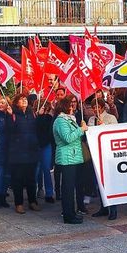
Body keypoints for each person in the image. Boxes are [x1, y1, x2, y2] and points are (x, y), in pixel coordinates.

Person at [53, 96, 87, 224]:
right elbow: (67, 138)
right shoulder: (61, 121)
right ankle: (68, 215)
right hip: (67, 157)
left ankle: (72, 212)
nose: (72, 108)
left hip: (73, 156)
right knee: (67, 188)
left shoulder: (69, 119)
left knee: (71, 186)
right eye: (70, 106)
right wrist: (81, 129)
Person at [8, 94, 41, 214]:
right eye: (21, 99)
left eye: (25, 99)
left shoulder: (32, 113)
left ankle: (33, 201)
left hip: (31, 151)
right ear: (16, 103)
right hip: (17, 153)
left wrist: (41, 116)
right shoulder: (13, 114)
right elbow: (10, 130)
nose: (24, 101)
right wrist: (10, 115)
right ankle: (19, 203)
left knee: (32, 179)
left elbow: (38, 129)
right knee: (18, 180)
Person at [35, 100, 56, 204]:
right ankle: (37, 190)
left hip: (46, 145)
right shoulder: (33, 117)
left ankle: (49, 193)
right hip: (36, 145)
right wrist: (38, 116)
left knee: (46, 169)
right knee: (37, 169)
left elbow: (48, 130)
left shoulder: (49, 118)